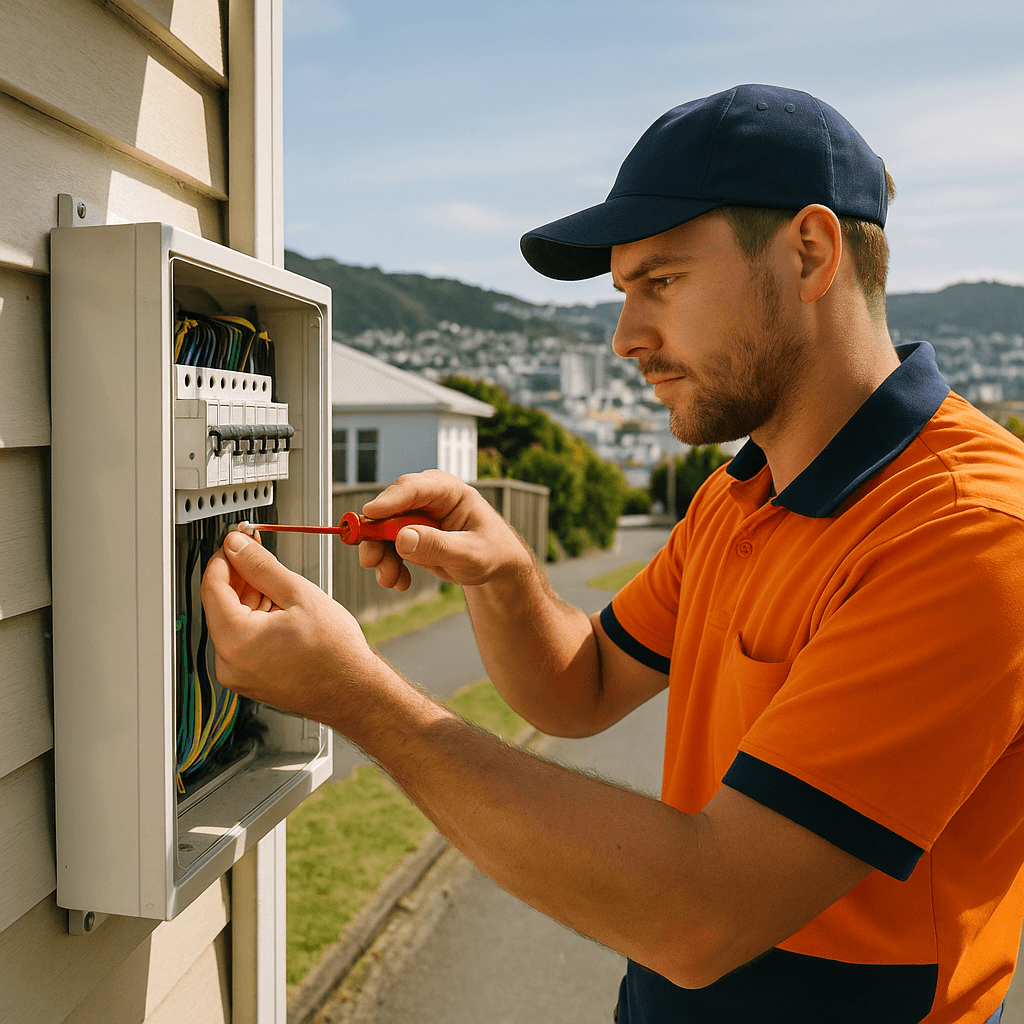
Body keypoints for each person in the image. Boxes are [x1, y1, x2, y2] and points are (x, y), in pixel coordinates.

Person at [201, 84, 1024, 1023]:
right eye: (623, 292)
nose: (628, 337)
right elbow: (580, 686)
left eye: (661, 281)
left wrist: (354, 693)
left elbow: (704, 915)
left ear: (811, 253)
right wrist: (508, 574)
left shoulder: (970, 531)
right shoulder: (739, 494)